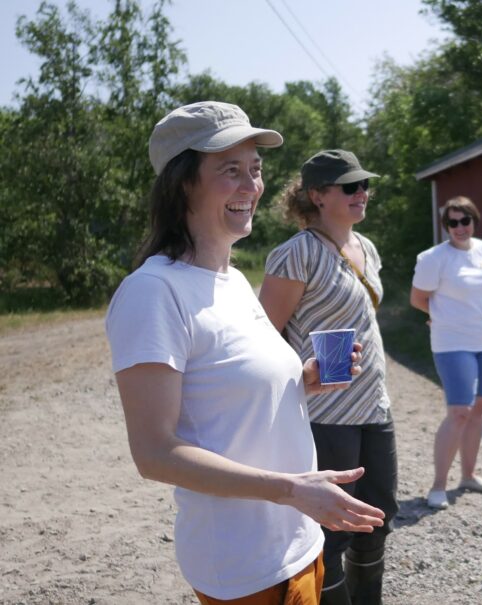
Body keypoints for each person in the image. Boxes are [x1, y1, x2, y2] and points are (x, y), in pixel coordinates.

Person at [105, 101, 384, 604]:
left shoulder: (232, 279)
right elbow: (154, 453)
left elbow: (225, 394)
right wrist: (293, 489)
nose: (250, 186)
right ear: (181, 182)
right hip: (244, 567)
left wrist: (301, 380)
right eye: (229, 170)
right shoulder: (153, 292)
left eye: (254, 170)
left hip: (299, 541)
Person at [259, 150, 397, 605]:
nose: (362, 193)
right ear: (316, 196)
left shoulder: (367, 247)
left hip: (374, 405)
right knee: (334, 528)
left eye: (364, 185)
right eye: (350, 187)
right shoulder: (295, 254)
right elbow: (264, 337)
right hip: (323, 412)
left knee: (379, 514)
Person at [411, 196, 482, 510]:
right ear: (445, 226)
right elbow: (418, 298)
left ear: (474, 220)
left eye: (465, 221)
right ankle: (438, 485)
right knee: (459, 412)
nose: (460, 228)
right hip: (452, 343)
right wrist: (439, 317)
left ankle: (469, 475)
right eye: (453, 222)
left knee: (478, 410)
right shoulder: (434, 258)